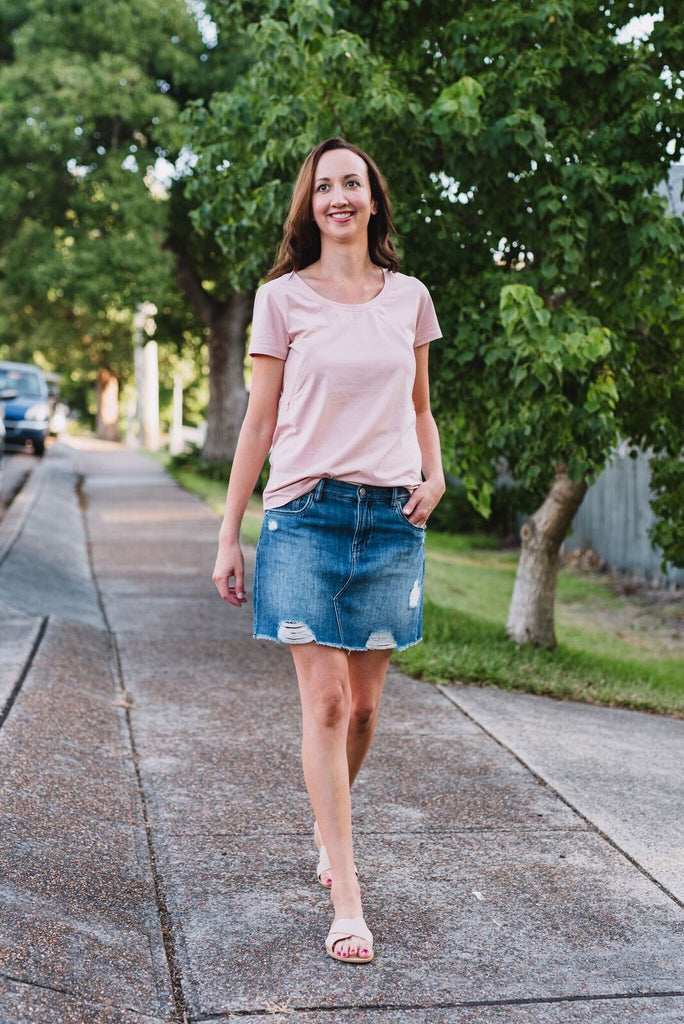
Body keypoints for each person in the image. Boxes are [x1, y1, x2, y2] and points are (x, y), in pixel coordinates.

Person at [212, 137, 445, 964]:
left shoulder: (409, 296)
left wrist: (438, 473)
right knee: (328, 704)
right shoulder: (281, 298)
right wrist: (228, 532)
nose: (339, 197)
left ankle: (327, 819)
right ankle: (347, 897)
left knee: (369, 708)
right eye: (324, 187)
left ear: (373, 200)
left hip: (390, 520)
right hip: (304, 516)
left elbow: (420, 407)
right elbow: (260, 421)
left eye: (353, 184)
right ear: (309, 207)